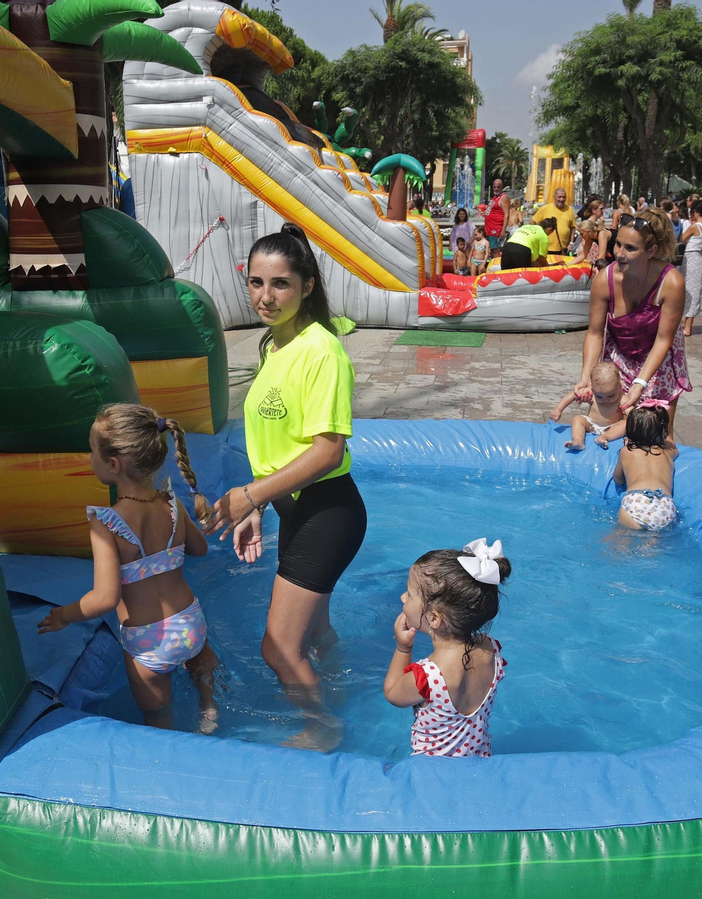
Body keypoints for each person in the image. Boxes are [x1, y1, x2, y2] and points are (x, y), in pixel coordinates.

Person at [204, 224, 366, 751]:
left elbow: (327, 450)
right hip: (293, 509)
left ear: (307, 285)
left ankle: (324, 729)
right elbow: (281, 440)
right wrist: (261, 498)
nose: (265, 297)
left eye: (280, 285)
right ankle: (341, 695)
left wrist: (248, 496)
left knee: (277, 648)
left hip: (328, 512)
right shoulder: (274, 345)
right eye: (256, 283)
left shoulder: (322, 352)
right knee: (314, 635)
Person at [38, 404, 219, 732]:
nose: (90, 457)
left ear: (113, 464)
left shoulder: (106, 523)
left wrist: (64, 615)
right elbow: (200, 548)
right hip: (191, 623)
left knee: (158, 719)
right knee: (201, 664)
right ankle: (208, 707)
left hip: (147, 643)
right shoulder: (171, 504)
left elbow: (105, 598)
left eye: (91, 450)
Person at [383, 539, 509, 758]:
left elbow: (393, 694)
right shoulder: (491, 648)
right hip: (480, 760)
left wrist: (403, 648)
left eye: (409, 594)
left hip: (433, 773)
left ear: (433, 618)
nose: (403, 597)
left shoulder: (427, 677)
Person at [576, 207, 692, 430]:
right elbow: (594, 333)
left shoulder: (671, 282)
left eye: (630, 248)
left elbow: (663, 340)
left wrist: (641, 383)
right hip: (619, 359)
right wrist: (586, 376)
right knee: (610, 429)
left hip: (659, 366)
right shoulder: (605, 279)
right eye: (618, 244)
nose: (620, 253)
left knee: (657, 436)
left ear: (651, 251)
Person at [613, 405, 680, 532]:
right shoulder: (667, 453)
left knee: (620, 541)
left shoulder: (626, 451)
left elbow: (618, 479)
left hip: (636, 501)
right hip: (665, 504)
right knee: (651, 547)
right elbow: (674, 448)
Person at [550, 361, 622, 450]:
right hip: (591, 424)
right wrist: (558, 409)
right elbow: (573, 395)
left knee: (625, 424)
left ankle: (604, 437)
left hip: (611, 427)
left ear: (620, 387)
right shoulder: (591, 393)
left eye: (611, 396)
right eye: (599, 396)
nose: (605, 400)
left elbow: (631, 414)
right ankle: (578, 441)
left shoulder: (622, 399)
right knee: (578, 419)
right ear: (592, 388)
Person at [681, 199, 702, 337]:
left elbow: (680, 240)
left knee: (688, 292)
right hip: (699, 259)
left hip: (690, 259)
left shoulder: (695, 227)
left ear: (696, 212)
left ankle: (687, 327)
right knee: (694, 293)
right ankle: (688, 325)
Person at [533, 187, 577, 255]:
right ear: (554, 197)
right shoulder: (545, 208)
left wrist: (571, 243)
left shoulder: (570, 210)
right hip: (545, 248)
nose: (561, 199)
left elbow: (573, 227)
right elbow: (533, 221)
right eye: (559, 197)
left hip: (563, 249)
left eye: (564, 197)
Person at [484, 178, 511, 249]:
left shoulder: (503, 198)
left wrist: (503, 231)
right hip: (489, 229)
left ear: (502, 187)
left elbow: (507, 215)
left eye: (498, 187)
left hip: (496, 230)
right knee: (492, 251)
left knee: (495, 252)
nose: (496, 189)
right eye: (495, 187)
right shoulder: (495, 197)